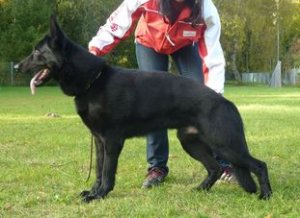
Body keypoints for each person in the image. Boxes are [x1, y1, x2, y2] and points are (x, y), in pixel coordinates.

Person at [88, 0, 234, 188]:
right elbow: (116, 25)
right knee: (152, 103)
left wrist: (214, 96)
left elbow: (213, 57)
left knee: (202, 98)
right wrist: (94, 51)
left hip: (185, 44)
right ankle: (157, 167)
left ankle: (223, 163)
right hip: (149, 42)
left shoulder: (206, 9)